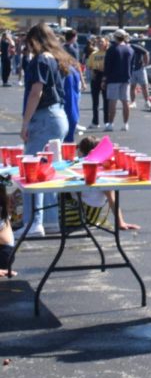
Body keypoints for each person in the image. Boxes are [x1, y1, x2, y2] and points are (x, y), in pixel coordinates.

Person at [20, 23, 72, 237]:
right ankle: (50, 220)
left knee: (31, 169)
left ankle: (34, 222)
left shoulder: (40, 59)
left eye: (30, 42)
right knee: (47, 168)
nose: (29, 47)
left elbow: (36, 92)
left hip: (44, 116)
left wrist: (25, 122)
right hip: (59, 115)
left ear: (36, 40)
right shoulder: (56, 58)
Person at [73, 136, 140, 231]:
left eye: (77, 148)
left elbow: (111, 197)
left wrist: (120, 222)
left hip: (83, 213)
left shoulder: (94, 169)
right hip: (85, 209)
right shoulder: (97, 165)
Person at [103, 29, 135, 131]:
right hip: (126, 78)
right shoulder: (130, 49)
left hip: (113, 78)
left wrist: (104, 79)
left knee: (113, 101)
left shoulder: (112, 49)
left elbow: (107, 65)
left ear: (115, 37)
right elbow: (132, 65)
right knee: (125, 102)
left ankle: (111, 124)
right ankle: (126, 124)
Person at [86, 37, 109, 128]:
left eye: (102, 42)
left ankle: (107, 121)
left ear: (106, 43)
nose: (100, 44)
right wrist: (92, 73)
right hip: (96, 76)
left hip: (105, 75)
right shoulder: (93, 54)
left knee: (106, 101)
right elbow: (90, 66)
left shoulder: (108, 53)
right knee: (95, 101)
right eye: (98, 42)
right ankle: (95, 122)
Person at [129, 40, 151, 110]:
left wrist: (145, 63)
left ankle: (147, 101)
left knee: (144, 86)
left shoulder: (134, 46)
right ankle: (133, 102)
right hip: (131, 70)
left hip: (140, 69)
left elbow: (146, 52)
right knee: (132, 86)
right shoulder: (124, 47)